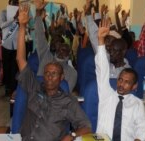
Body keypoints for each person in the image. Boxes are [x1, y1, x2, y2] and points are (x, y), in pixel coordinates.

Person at [16, 4, 91, 141]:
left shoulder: (68, 102)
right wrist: (22, 27)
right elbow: (20, 59)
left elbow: (86, 126)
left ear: (62, 77)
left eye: (54, 73)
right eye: (47, 73)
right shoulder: (34, 86)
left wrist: (71, 135)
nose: (49, 77)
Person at [95, 19, 145, 141]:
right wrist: (100, 41)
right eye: (120, 80)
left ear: (134, 86)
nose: (121, 84)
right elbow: (102, 69)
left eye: (127, 82)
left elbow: (143, 125)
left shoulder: (137, 103)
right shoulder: (106, 94)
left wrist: (139, 138)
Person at [34, 0, 77, 93]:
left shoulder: (72, 73)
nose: (62, 51)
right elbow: (40, 36)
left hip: (58, 104)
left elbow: (66, 94)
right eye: (61, 49)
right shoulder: (47, 56)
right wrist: (38, 13)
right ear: (57, 50)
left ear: (69, 54)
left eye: (65, 50)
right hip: (38, 97)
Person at [0, 0, 19, 97]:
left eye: (16, 3)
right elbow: (2, 25)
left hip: (16, 45)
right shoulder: (3, 12)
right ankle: (7, 88)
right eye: (13, 3)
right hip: (6, 44)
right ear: (9, 3)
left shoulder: (20, 13)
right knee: (7, 67)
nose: (15, 4)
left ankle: (14, 88)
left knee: (15, 68)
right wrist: (13, 19)